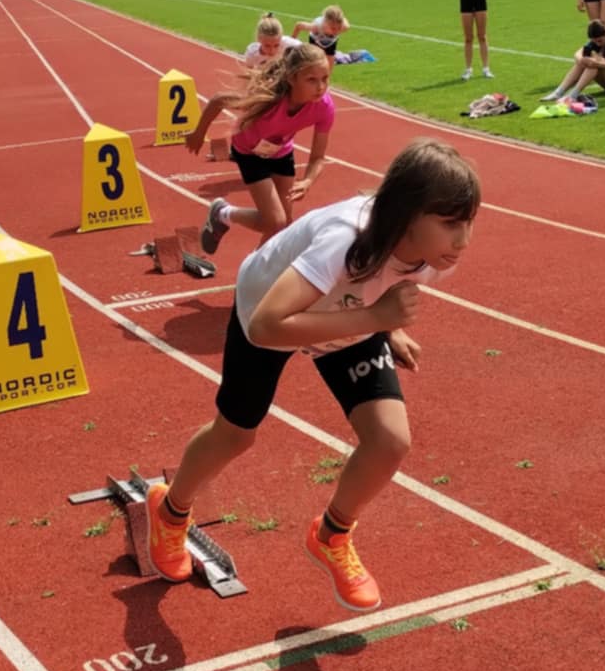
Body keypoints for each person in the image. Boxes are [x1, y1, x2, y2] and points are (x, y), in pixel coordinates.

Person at [134, 139, 480, 613]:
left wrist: (389, 327)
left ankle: (331, 536)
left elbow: (387, 282)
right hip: (268, 310)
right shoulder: (345, 239)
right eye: (450, 224)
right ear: (406, 214)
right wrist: (377, 320)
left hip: (347, 315)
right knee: (235, 434)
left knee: (389, 440)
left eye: (468, 222)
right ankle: (170, 511)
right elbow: (267, 325)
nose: (464, 240)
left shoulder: (434, 255)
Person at [187, 42, 335, 243]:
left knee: (283, 225)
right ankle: (223, 213)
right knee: (275, 222)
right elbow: (219, 100)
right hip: (248, 152)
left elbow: (318, 157)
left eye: (325, 78)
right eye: (311, 80)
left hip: (281, 152)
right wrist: (198, 133)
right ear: (292, 79)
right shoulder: (268, 99)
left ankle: (261, 263)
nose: (320, 87)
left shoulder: (324, 107)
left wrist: (308, 181)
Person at [545, 19, 605, 102]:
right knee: (586, 61)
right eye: (594, 41)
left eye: (600, 41)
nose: (598, 44)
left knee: (593, 65)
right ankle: (558, 92)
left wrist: (596, 63)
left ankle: (572, 95)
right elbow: (578, 53)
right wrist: (582, 60)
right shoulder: (597, 38)